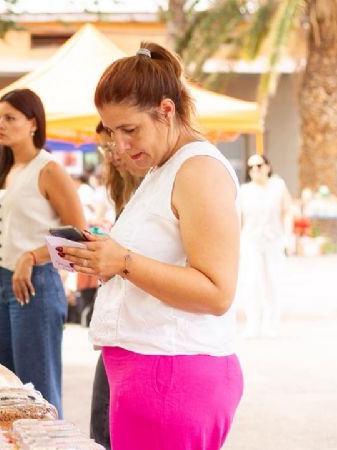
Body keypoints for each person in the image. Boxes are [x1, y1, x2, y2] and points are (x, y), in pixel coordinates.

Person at [60, 43, 243, 450]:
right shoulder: (166, 166)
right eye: (112, 132)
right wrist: (106, 258)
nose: (120, 146)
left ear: (166, 110)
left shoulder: (198, 170)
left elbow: (217, 292)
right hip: (150, 374)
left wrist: (123, 261)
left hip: (173, 376)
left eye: (130, 130)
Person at [0, 88, 86, 416]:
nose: (0, 125)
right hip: (1, 282)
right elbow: (11, 222)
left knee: (37, 393)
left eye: (10, 118)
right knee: (3, 390)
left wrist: (32, 257)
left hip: (35, 284)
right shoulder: (7, 169)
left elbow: (78, 234)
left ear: (33, 123)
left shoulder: (49, 169)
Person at [88, 122, 145, 450]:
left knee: (111, 424)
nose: (113, 154)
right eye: (106, 148)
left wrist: (119, 262)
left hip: (139, 331)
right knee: (102, 421)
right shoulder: (121, 186)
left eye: (117, 145)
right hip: (116, 324)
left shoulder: (155, 185)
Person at [239, 153, 292, 338]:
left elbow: (287, 212)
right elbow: (239, 219)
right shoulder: (244, 191)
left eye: (259, 165)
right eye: (251, 167)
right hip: (250, 241)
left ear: (268, 166)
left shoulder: (278, 186)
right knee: (251, 281)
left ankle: (271, 324)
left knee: (273, 281)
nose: (255, 170)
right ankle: (252, 323)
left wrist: (288, 238)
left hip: (274, 240)